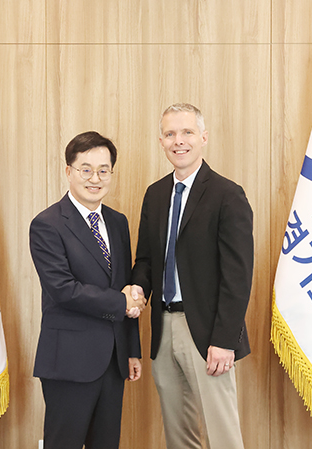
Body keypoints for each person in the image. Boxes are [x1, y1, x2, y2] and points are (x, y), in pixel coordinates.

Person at [131, 103, 254, 449]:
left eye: (186, 132)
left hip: (208, 333)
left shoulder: (227, 195)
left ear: (203, 137)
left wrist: (225, 339)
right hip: (163, 329)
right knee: (177, 434)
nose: (178, 141)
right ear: (161, 141)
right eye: (170, 134)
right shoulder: (155, 195)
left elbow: (238, 275)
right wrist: (137, 288)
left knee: (222, 433)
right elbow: (146, 260)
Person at [29, 131, 145, 449]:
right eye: (86, 169)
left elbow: (125, 285)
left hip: (113, 360)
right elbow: (63, 289)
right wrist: (121, 302)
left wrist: (131, 348)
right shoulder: (47, 224)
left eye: (103, 170)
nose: (95, 178)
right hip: (69, 361)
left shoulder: (118, 222)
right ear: (69, 171)